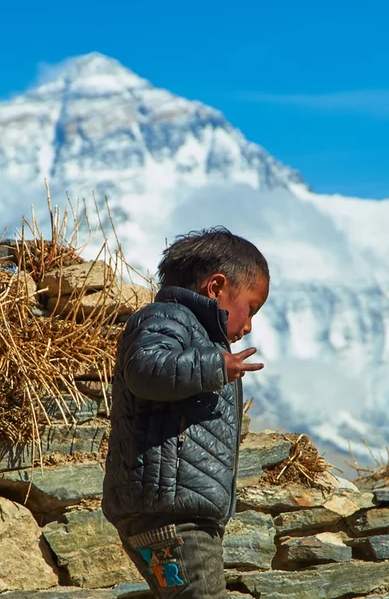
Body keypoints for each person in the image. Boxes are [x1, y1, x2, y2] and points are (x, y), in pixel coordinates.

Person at [102, 226, 270, 598]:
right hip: (175, 517)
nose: (249, 325)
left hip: (173, 510)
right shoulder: (167, 319)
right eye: (251, 308)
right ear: (215, 288)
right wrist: (213, 367)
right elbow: (144, 368)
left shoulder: (195, 334)